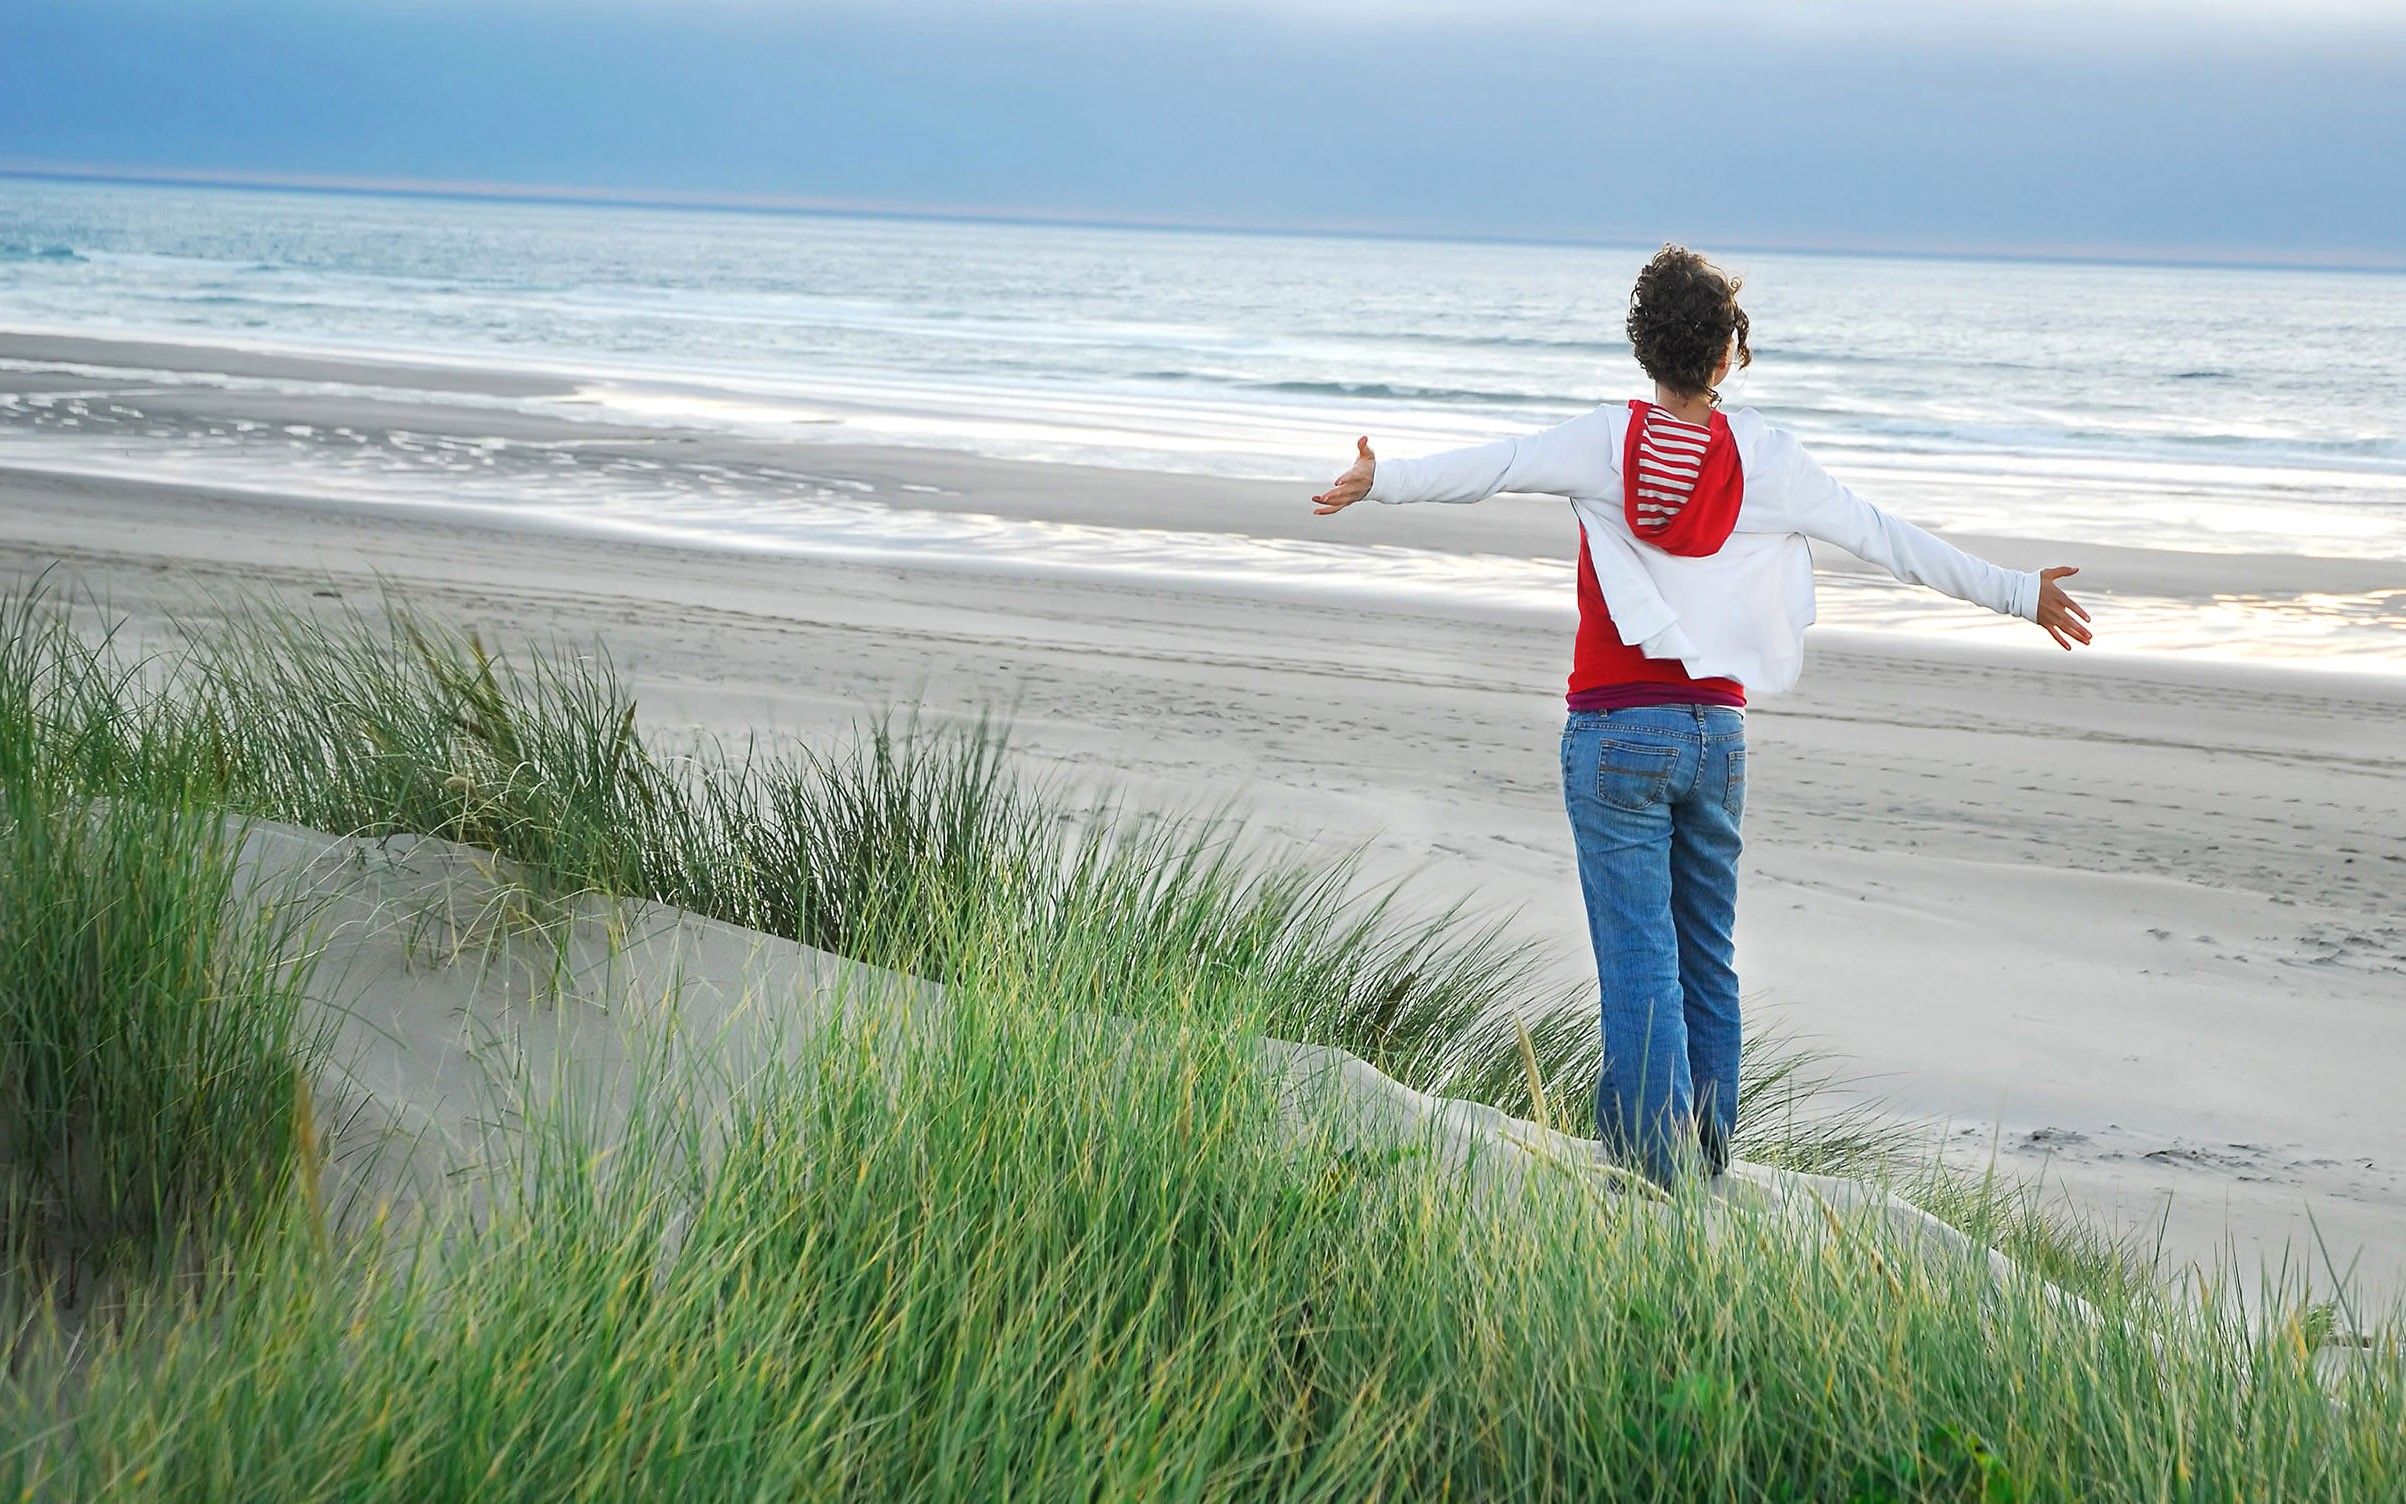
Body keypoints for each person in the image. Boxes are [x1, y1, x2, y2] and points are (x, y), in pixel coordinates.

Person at [1309, 245, 2092, 1187]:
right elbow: (1887, 538)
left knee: (1640, 964)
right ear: (1726, 357)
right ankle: (1708, 1170)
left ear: (1646, 349)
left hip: (1615, 731)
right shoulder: (1768, 458)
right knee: (1705, 960)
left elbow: (1498, 465)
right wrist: (2018, 593)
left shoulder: (1604, 441)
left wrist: (1379, 478)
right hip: (1716, 739)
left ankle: (1652, 1183)